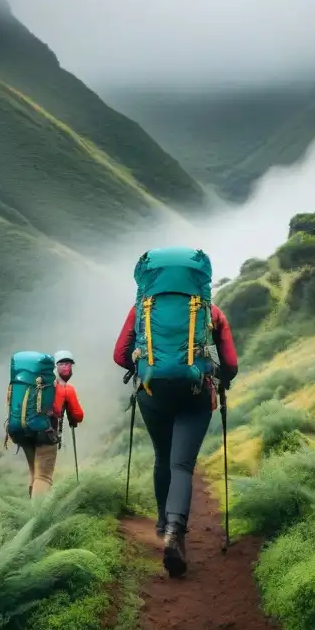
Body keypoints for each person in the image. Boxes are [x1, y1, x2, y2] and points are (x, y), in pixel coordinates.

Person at [112, 247, 238, 578]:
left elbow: (119, 354)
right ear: (199, 281)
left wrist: (142, 366)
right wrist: (214, 371)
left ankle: (161, 521)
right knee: (182, 465)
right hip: (195, 395)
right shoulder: (210, 312)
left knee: (162, 457)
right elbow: (230, 364)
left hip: (152, 393)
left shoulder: (141, 309)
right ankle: (175, 534)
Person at [4, 350, 85, 498]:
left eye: (69, 365)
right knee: (43, 477)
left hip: (22, 430)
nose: (67, 368)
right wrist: (72, 417)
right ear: (55, 367)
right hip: (45, 434)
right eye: (64, 364)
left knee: (34, 474)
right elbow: (78, 416)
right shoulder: (67, 388)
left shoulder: (36, 384)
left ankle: (30, 511)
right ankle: (39, 517)